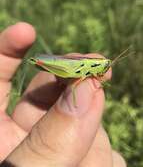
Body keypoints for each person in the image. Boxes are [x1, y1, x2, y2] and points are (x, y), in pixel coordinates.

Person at [0, 22, 126, 167]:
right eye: (105, 66)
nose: (105, 68)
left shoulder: (94, 70)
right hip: (66, 67)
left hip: (73, 67)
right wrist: (73, 106)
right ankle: (18, 88)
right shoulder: (89, 68)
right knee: (67, 82)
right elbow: (75, 87)